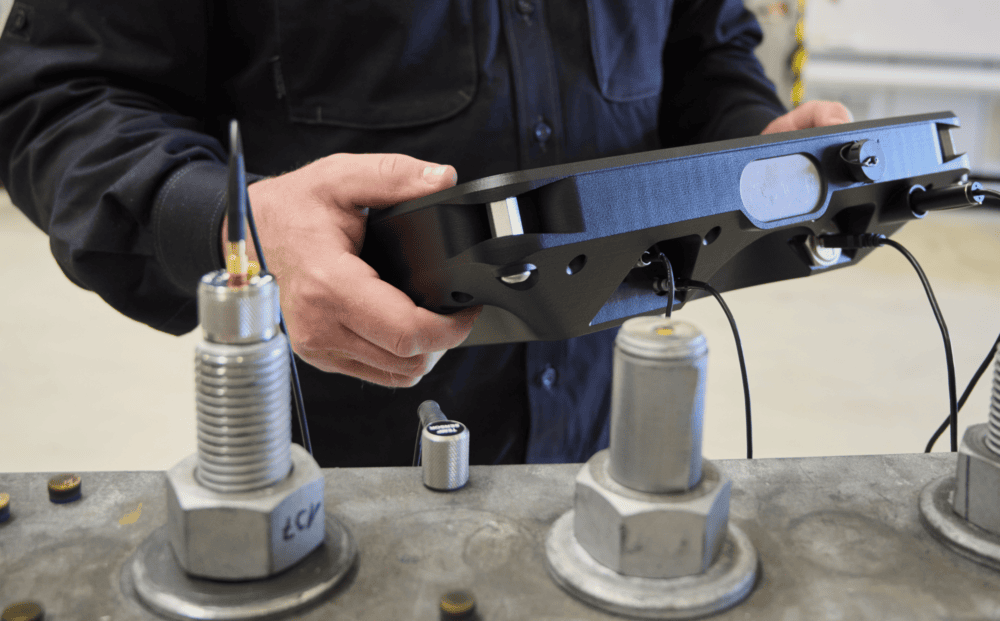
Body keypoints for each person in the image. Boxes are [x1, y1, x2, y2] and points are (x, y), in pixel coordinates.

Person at [0, 1, 849, 467]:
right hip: (341, 448)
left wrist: (753, 136)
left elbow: (702, 46)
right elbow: (59, 97)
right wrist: (239, 222)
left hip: (601, 420)